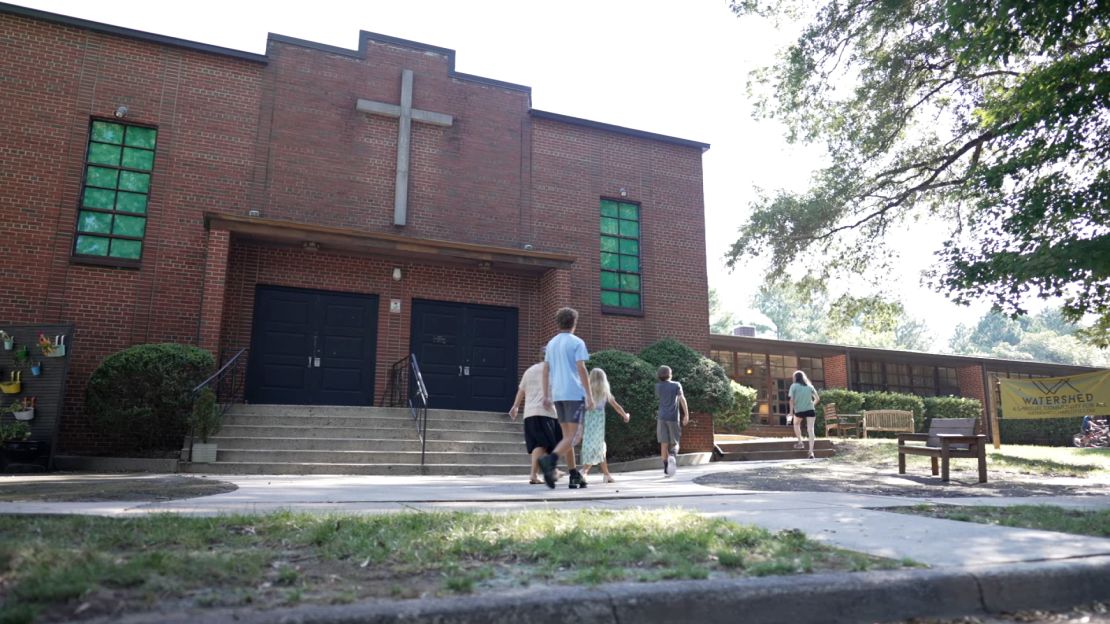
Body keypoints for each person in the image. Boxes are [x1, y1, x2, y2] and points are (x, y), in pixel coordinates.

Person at [538, 307, 594, 489]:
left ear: (558, 322)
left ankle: (573, 475)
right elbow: (581, 368)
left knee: (567, 437)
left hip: (558, 395)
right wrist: (589, 395)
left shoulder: (551, 344)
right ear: (574, 323)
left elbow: (546, 370)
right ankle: (550, 460)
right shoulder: (577, 342)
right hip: (574, 393)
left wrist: (546, 394)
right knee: (573, 437)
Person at [508, 348, 564, 485]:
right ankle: (539, 473)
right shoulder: (552, 372)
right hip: (545, 413)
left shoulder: (529, 370)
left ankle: (542, 472)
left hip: (529, 413)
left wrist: (515, 406)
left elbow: (521, 390)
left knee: (539, 445)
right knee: (544, 444)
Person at [579, 367, 631, 484]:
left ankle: (604, 474)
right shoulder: (604, 392)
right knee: (599, 448)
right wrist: (625, 415)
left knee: (597, 448)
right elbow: (616, 406)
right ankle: (584, 472)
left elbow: (580, 407)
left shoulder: (586, 391)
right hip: (598, 425)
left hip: (588, 422)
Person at [656, 365, 688, 477]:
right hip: (673, 417)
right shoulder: (676, 385)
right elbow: (681, 399)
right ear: (670, 374)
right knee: (675, 442)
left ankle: (666, 469)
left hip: (661, 417)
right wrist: (686, 415)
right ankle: (672, 456)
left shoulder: (658, 386)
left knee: (663, 443)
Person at [789, 370, 820, 459]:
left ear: (795, 378)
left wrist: (791, 412)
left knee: (796, 423)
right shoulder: (810, 386)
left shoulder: (793, 386)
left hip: (799, 410)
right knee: (811, 430)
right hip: (810, 410)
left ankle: (800, 442)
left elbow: (791, 400)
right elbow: (817, 398)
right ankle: (811, 452)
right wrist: (811, 405)